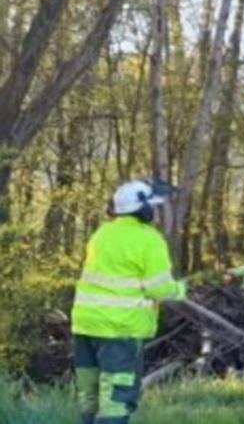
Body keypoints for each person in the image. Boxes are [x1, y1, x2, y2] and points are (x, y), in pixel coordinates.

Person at [71, 179, 186, 424]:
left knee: (89, 396)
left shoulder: (101, 234)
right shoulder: (149, 239)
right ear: (144, 210)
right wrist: (180, 290)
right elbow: (160, 290)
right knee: (116, 400)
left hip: (84, 327)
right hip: (119, 330)